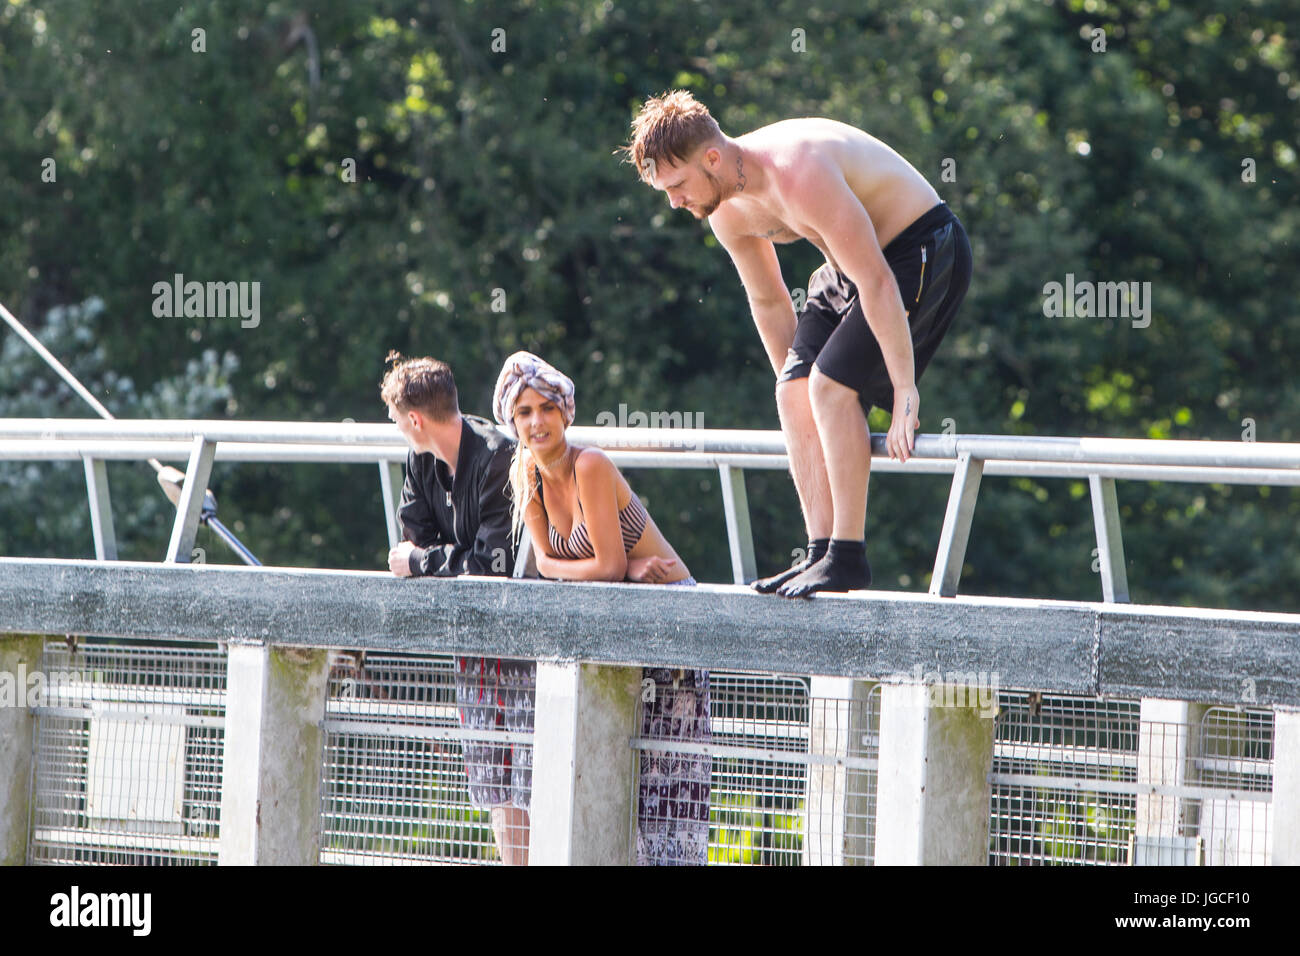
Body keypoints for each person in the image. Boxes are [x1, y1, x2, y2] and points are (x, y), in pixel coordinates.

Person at [620, 90, 973, 597]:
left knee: (830, 387)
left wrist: (904, 390)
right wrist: (796, 390)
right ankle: (819, 552)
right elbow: (768, 301)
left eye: (677, 186)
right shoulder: (724, 212)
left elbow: (876, 279)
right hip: (850, 266)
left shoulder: (798, 170)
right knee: (794, 391)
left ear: (712, 158)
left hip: (923, 248)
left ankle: (848, 557)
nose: (675, 202)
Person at [492, 351, 712, 866]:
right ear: (512, 421)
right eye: (524, 412)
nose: (536, 421)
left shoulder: (589, 463)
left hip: (670, 624)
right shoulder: (527, 474)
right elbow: (548, 564)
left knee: (665, 792)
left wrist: (618, 570)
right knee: (605, 774)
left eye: (547, 408)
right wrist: (619, 570)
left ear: (566, 413)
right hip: (615, 631)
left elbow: (599, 566)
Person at [379, 350, 534, 866]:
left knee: (530, 770)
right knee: (490, 774)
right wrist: (436, 560)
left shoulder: (498, 456)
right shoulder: (419, 459)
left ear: (415, 419)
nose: (398, 429)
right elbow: (415, 534)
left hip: (522, 636)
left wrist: (425, 561)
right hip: (471, 638)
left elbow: (490, 564)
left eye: (397, 420)